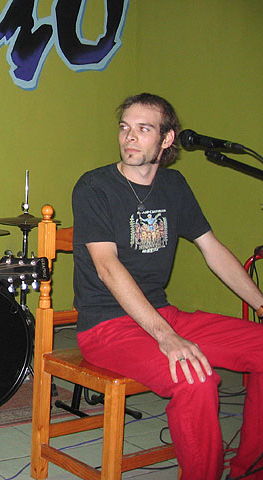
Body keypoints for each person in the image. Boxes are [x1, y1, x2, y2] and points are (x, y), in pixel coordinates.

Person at [71, 92, 263, 480]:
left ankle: (249, 470)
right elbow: (108, 268)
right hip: (106, 327)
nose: (129, 137)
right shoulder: (95, 187)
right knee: (197, 379)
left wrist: (262, 304)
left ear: (167, 139)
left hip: (162, 314)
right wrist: (166, 336)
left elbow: (213, 250)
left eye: (143, 129)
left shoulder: (174, 186)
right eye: (125, 127)